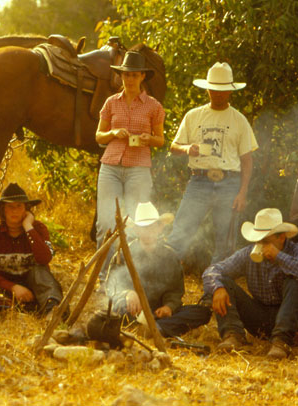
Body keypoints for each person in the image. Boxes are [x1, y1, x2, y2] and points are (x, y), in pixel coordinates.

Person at [167, 62, 257, 265]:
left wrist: (242, 193)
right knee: (179, 234)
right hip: (199, 180)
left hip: (229, 183)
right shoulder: (193, 116)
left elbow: (247, 160)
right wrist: (187, 149)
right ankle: (164, 284)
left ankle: (215, 291)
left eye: (222, 90)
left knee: (225, 243)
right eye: (214, 89)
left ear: (230, 91)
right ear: (207, 89)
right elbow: (174, 146)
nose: (217, 94)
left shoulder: (239, 120)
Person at [202, 208, 298, 358]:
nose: (260, 245)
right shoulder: (248, 253)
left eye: (265, 240)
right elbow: (212, 270)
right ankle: (233, 335)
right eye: (258, 240)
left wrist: (279, 257)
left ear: (281, 237)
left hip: (297, 320)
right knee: (224, 282)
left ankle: (282, 342)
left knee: (296, 279)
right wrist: (217, 288)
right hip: (263, 318)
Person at [94, 51, 165, 264]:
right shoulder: (111, 103)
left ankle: (132, 275)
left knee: (137, 221)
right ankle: (103, 279)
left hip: (139, 168)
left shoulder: (153, 106)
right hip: (111, 166)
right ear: (121, 77)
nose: (129, 79)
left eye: (134, 75)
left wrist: (148, 138)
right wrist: (113, 133)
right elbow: (99, 136)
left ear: (142, 76)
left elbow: (160, 140)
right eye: (126, 75)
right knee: (105, 223)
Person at [105, 202, 211, 337]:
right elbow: (111, 287)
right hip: (132, 312)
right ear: (136, 230)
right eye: (143, 228)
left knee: (202, 312)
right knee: (114, 311)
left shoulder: (170, 256)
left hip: (159, 314)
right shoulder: (123, 253)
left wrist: (169, 307)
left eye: (151, 227)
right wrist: (127, 293)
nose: (148, 232)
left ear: (159, 228)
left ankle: (154, 329)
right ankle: (161, 329)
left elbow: (175, 291)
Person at [0, 183, 63, 315]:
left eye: (19, 206)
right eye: (10, 206)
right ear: (2, 210)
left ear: (27, 209)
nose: (15, 211)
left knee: (41, 273)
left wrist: (28, 227)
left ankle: (53, 313)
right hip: (5, 285)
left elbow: (45, 258)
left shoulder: (39, 228)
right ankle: (15, 309)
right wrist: (13, 287)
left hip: (35, 286)